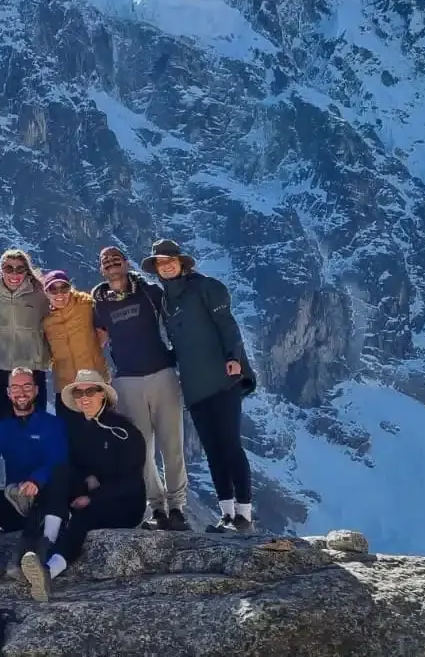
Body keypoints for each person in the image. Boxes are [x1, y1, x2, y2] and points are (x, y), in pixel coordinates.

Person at [144, 239, 259, 532]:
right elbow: (180, 345)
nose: (166, 265)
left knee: (230, 445)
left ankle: (245, 516)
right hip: (195, 388)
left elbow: (227, 324)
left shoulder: (206, 287)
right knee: (212, 449)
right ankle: (227, 514)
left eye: (170, 260)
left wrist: (234, 358)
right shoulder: (166, 302)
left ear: (182, 262)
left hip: (222, 380)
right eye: (160, 262)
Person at [22, 369, 147, 602]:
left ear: (103, 395)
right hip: (94, 491)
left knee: (83, 516)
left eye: (90, 391)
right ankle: (46, 540)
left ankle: (49, 570)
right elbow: (75, 465)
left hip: (125, 504)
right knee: (59, 473)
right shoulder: (78, 429)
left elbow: (131, 481)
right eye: (79, 393)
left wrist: (93, 497)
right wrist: (87, 476)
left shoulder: (125, 432)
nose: (84, 397)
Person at [92, 245, 190, 532]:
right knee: (140, 450)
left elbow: (175, 316)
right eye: (105, 260)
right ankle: (157, 507)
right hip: (127, 380)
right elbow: (97, 339)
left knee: (172, 445)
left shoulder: (148, 292)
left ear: (125, 263)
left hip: (162, 374)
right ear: (101, 269)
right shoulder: (100, 302)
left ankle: (177, 507)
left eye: (115, 259)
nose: (111, 263)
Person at [0, 367, 71, 579]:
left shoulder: (53, 425)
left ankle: (30, 555)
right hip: (15, 502)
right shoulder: (3, 429)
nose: (21, 392)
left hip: (45, 501)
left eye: (27, 386)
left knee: (58, 477)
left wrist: (36, 481)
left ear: (37, 390)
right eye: (16, 387)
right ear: (8, 393)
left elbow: (58, 460)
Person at [0, 248, 52, 420]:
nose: (14, 273)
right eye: (9, 268)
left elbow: (61, 313)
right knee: (4, 425)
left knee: (36, 424)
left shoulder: (40, 297)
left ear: (26, 271)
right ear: (1, 270)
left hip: (32, 370)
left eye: (19, 269)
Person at [41, 270, 109, 422]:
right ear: (46, 293)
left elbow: (104, 331)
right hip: (66, 391)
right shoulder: (45, 321)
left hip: (95, 385)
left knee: (103, 435)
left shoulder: (86, 304)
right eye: (53, 289)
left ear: (70, 288)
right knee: (71, 440)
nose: (59, 294)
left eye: (64, 288)